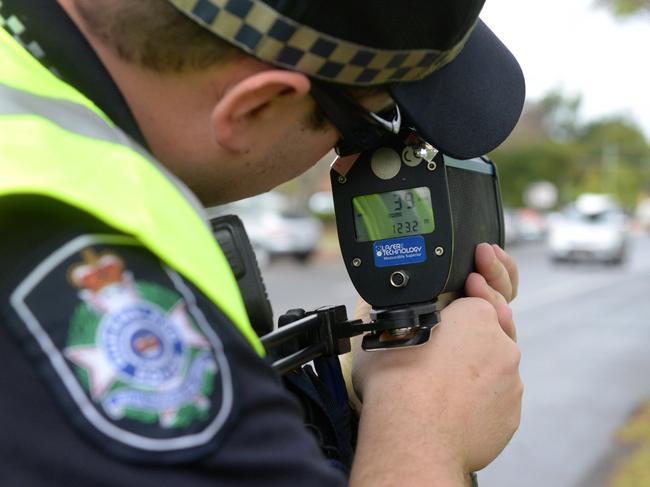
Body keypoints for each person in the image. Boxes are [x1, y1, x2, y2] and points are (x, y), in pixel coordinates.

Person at [0, 0, 524, 485]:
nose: (355, 160)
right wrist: (425, 431)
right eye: (367, 127)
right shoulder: (69, 271)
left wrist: (354, 384)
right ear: (255, 106)